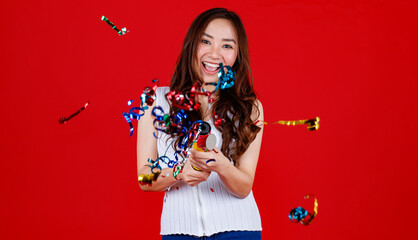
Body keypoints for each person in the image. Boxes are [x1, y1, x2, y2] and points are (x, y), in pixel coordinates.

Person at [137, 8, 264, 240]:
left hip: (239, 231)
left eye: (227, 46)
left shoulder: (249, 107)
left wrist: (222, 166)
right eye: (206, 41)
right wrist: (179, 172)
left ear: (237, 55)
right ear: (192, 45)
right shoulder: (156, 102)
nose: (214, 54)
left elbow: (245, 186)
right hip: (179, 232)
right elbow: (144, 178)